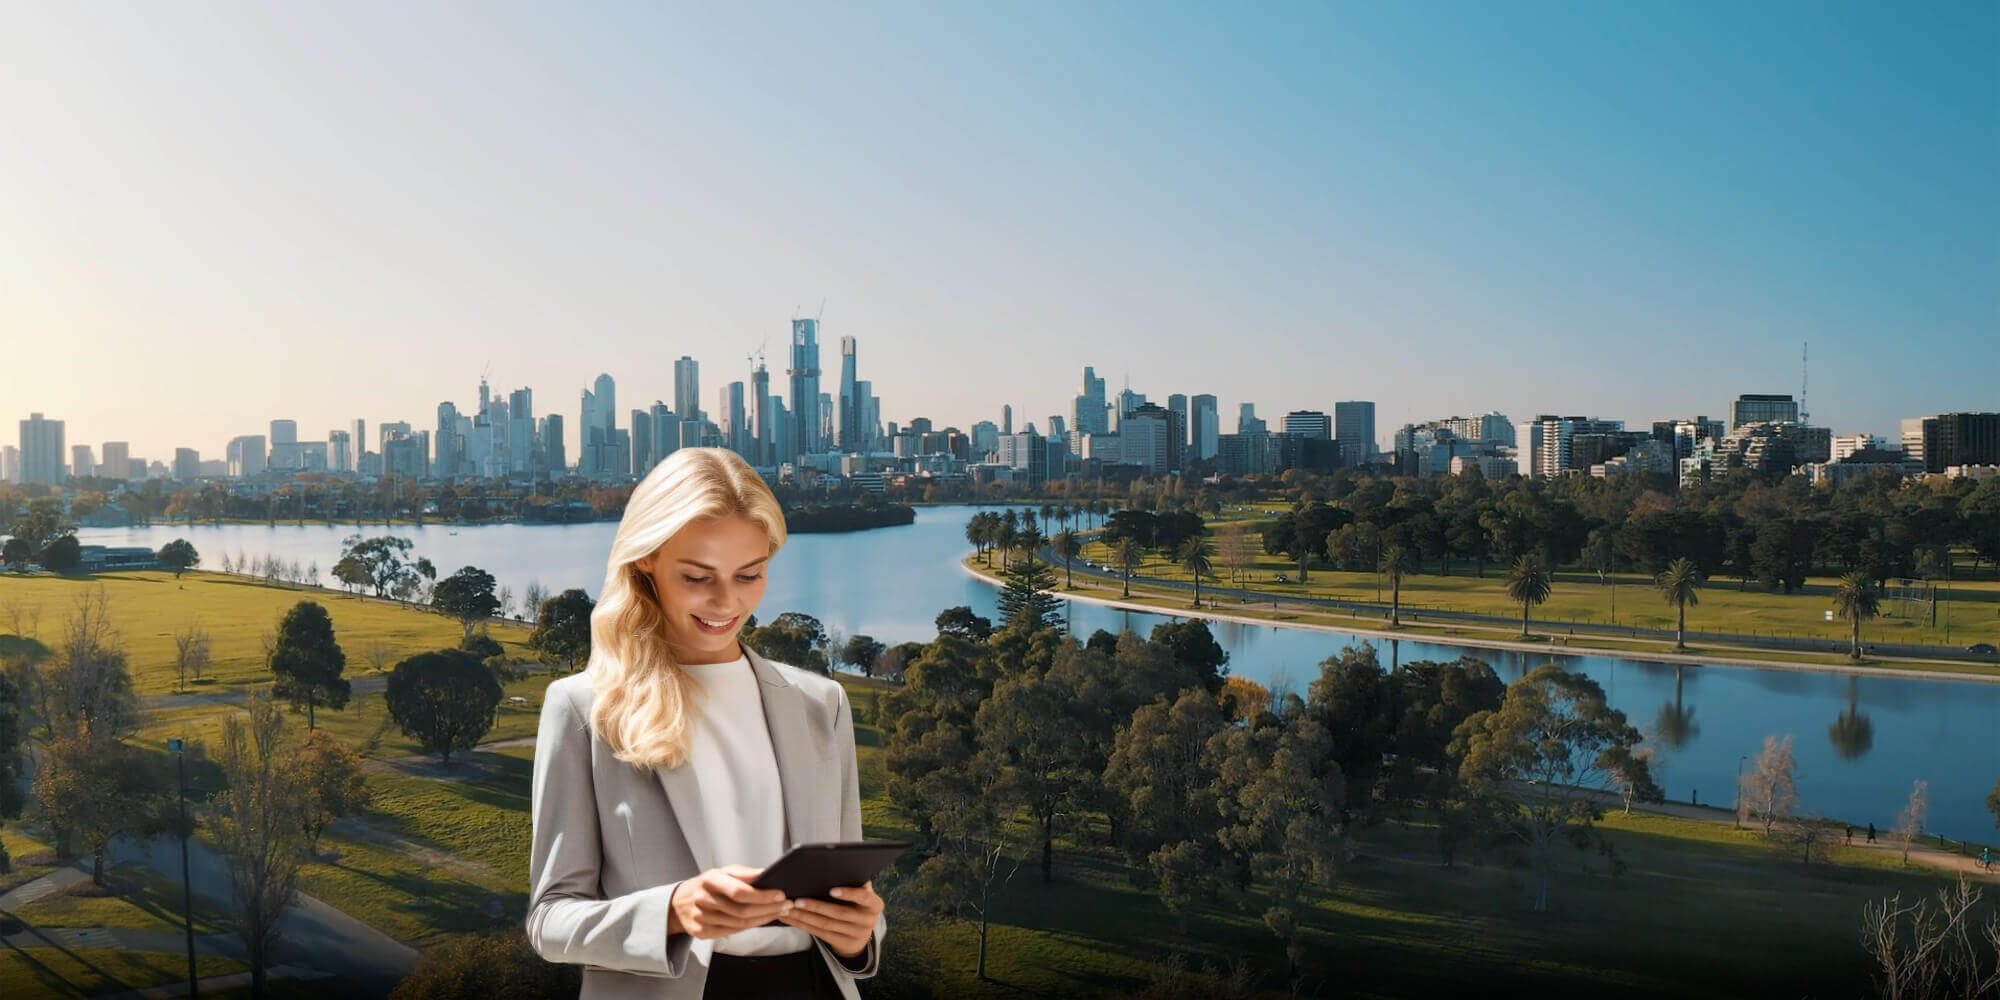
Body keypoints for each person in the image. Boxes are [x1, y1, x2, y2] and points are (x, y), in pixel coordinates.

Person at [527, 448, 886, 999]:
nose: (727, 601)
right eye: (698, 576)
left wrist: (861, 935)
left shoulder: (823, 703)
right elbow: (549, 922)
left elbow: (850, 897)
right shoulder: (581, 709)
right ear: (646, 560)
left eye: (750, 575)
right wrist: (671, 912)